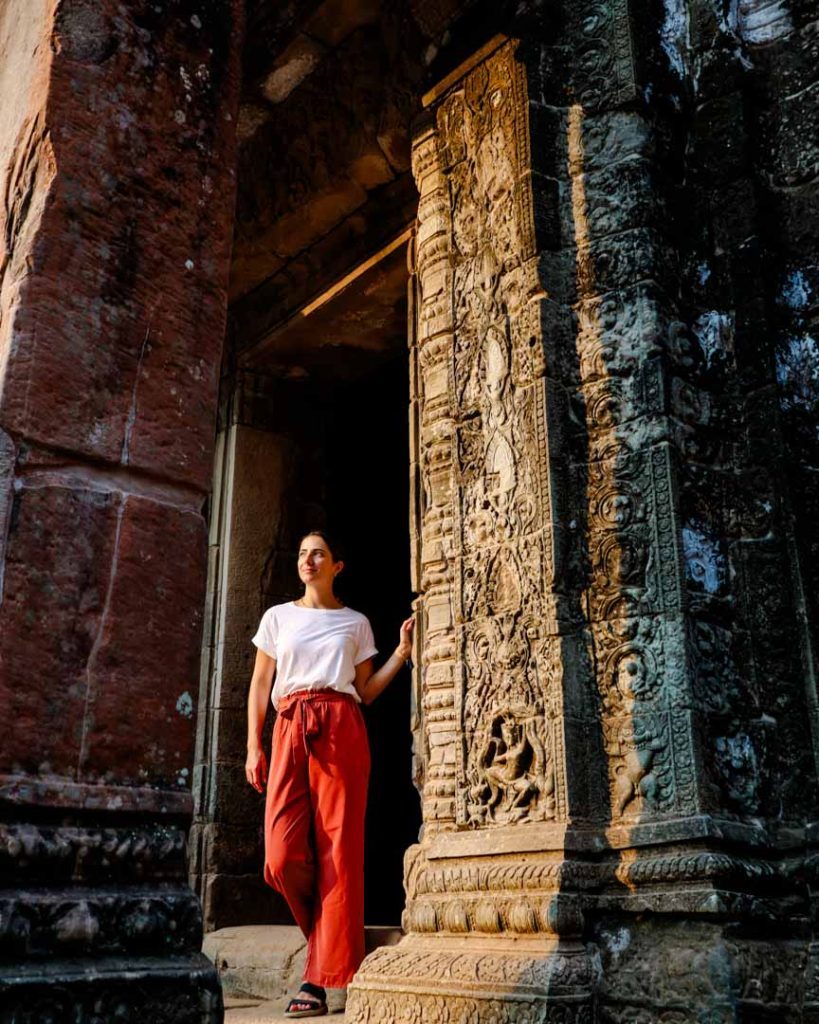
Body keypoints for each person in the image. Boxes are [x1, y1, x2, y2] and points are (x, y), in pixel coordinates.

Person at [245, 530, 413, 1018]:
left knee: (339, 849)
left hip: (341, 725)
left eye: (318, 553)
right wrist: (254, 744)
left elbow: (365, 690)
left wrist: (400, 654)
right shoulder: (278, 617)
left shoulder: (355, 623)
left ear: (338, 564)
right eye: (302, 553)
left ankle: (318, 981)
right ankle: (329, 944)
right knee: (280, 856)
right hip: (290, 723)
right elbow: (260, 683)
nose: (308, 559)